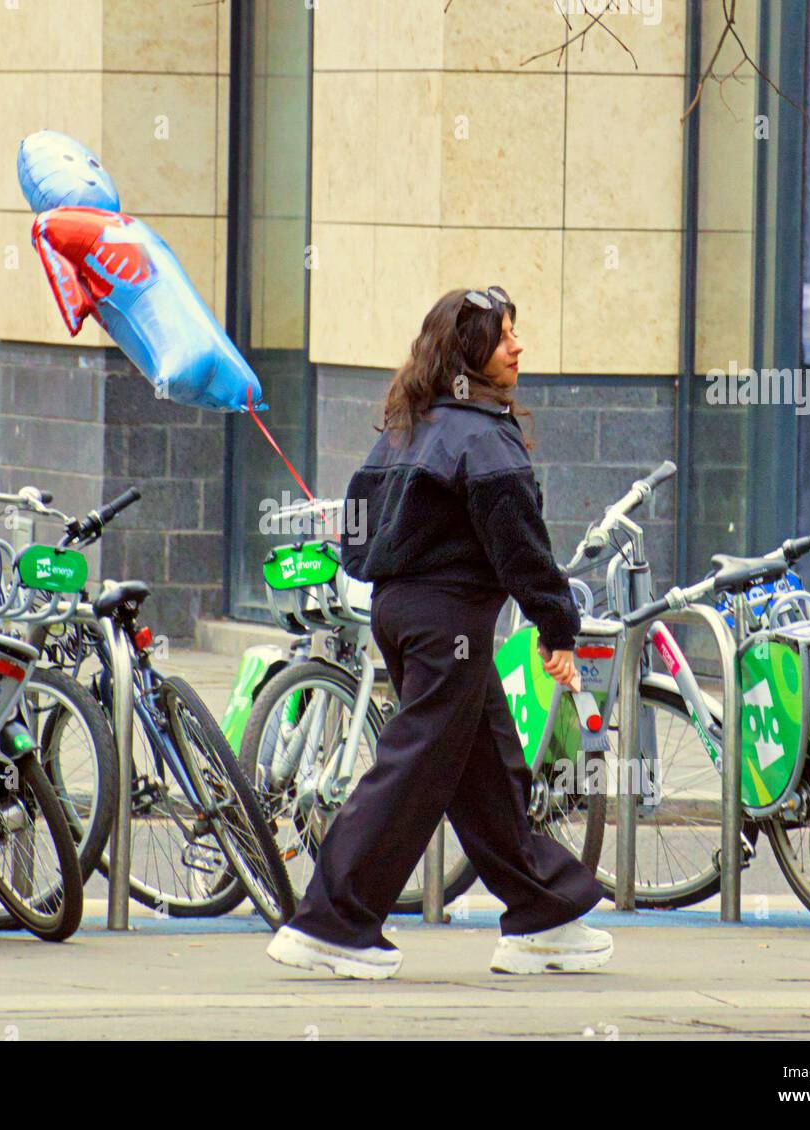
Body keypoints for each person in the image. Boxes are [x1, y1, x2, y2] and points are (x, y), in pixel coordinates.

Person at [266, 286, 610, 980]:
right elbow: (521, 548)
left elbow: (356, 527)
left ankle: (541, 916)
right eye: (504, 335)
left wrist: (389, 577)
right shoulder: (482, 435)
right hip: (448, 622)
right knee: (414, 768)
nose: (518, 346)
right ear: (468, 354)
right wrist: (557, 626)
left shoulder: (409, 426)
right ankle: (331, 925)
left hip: (407, 615)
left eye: (516, 332)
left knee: (486, 771)